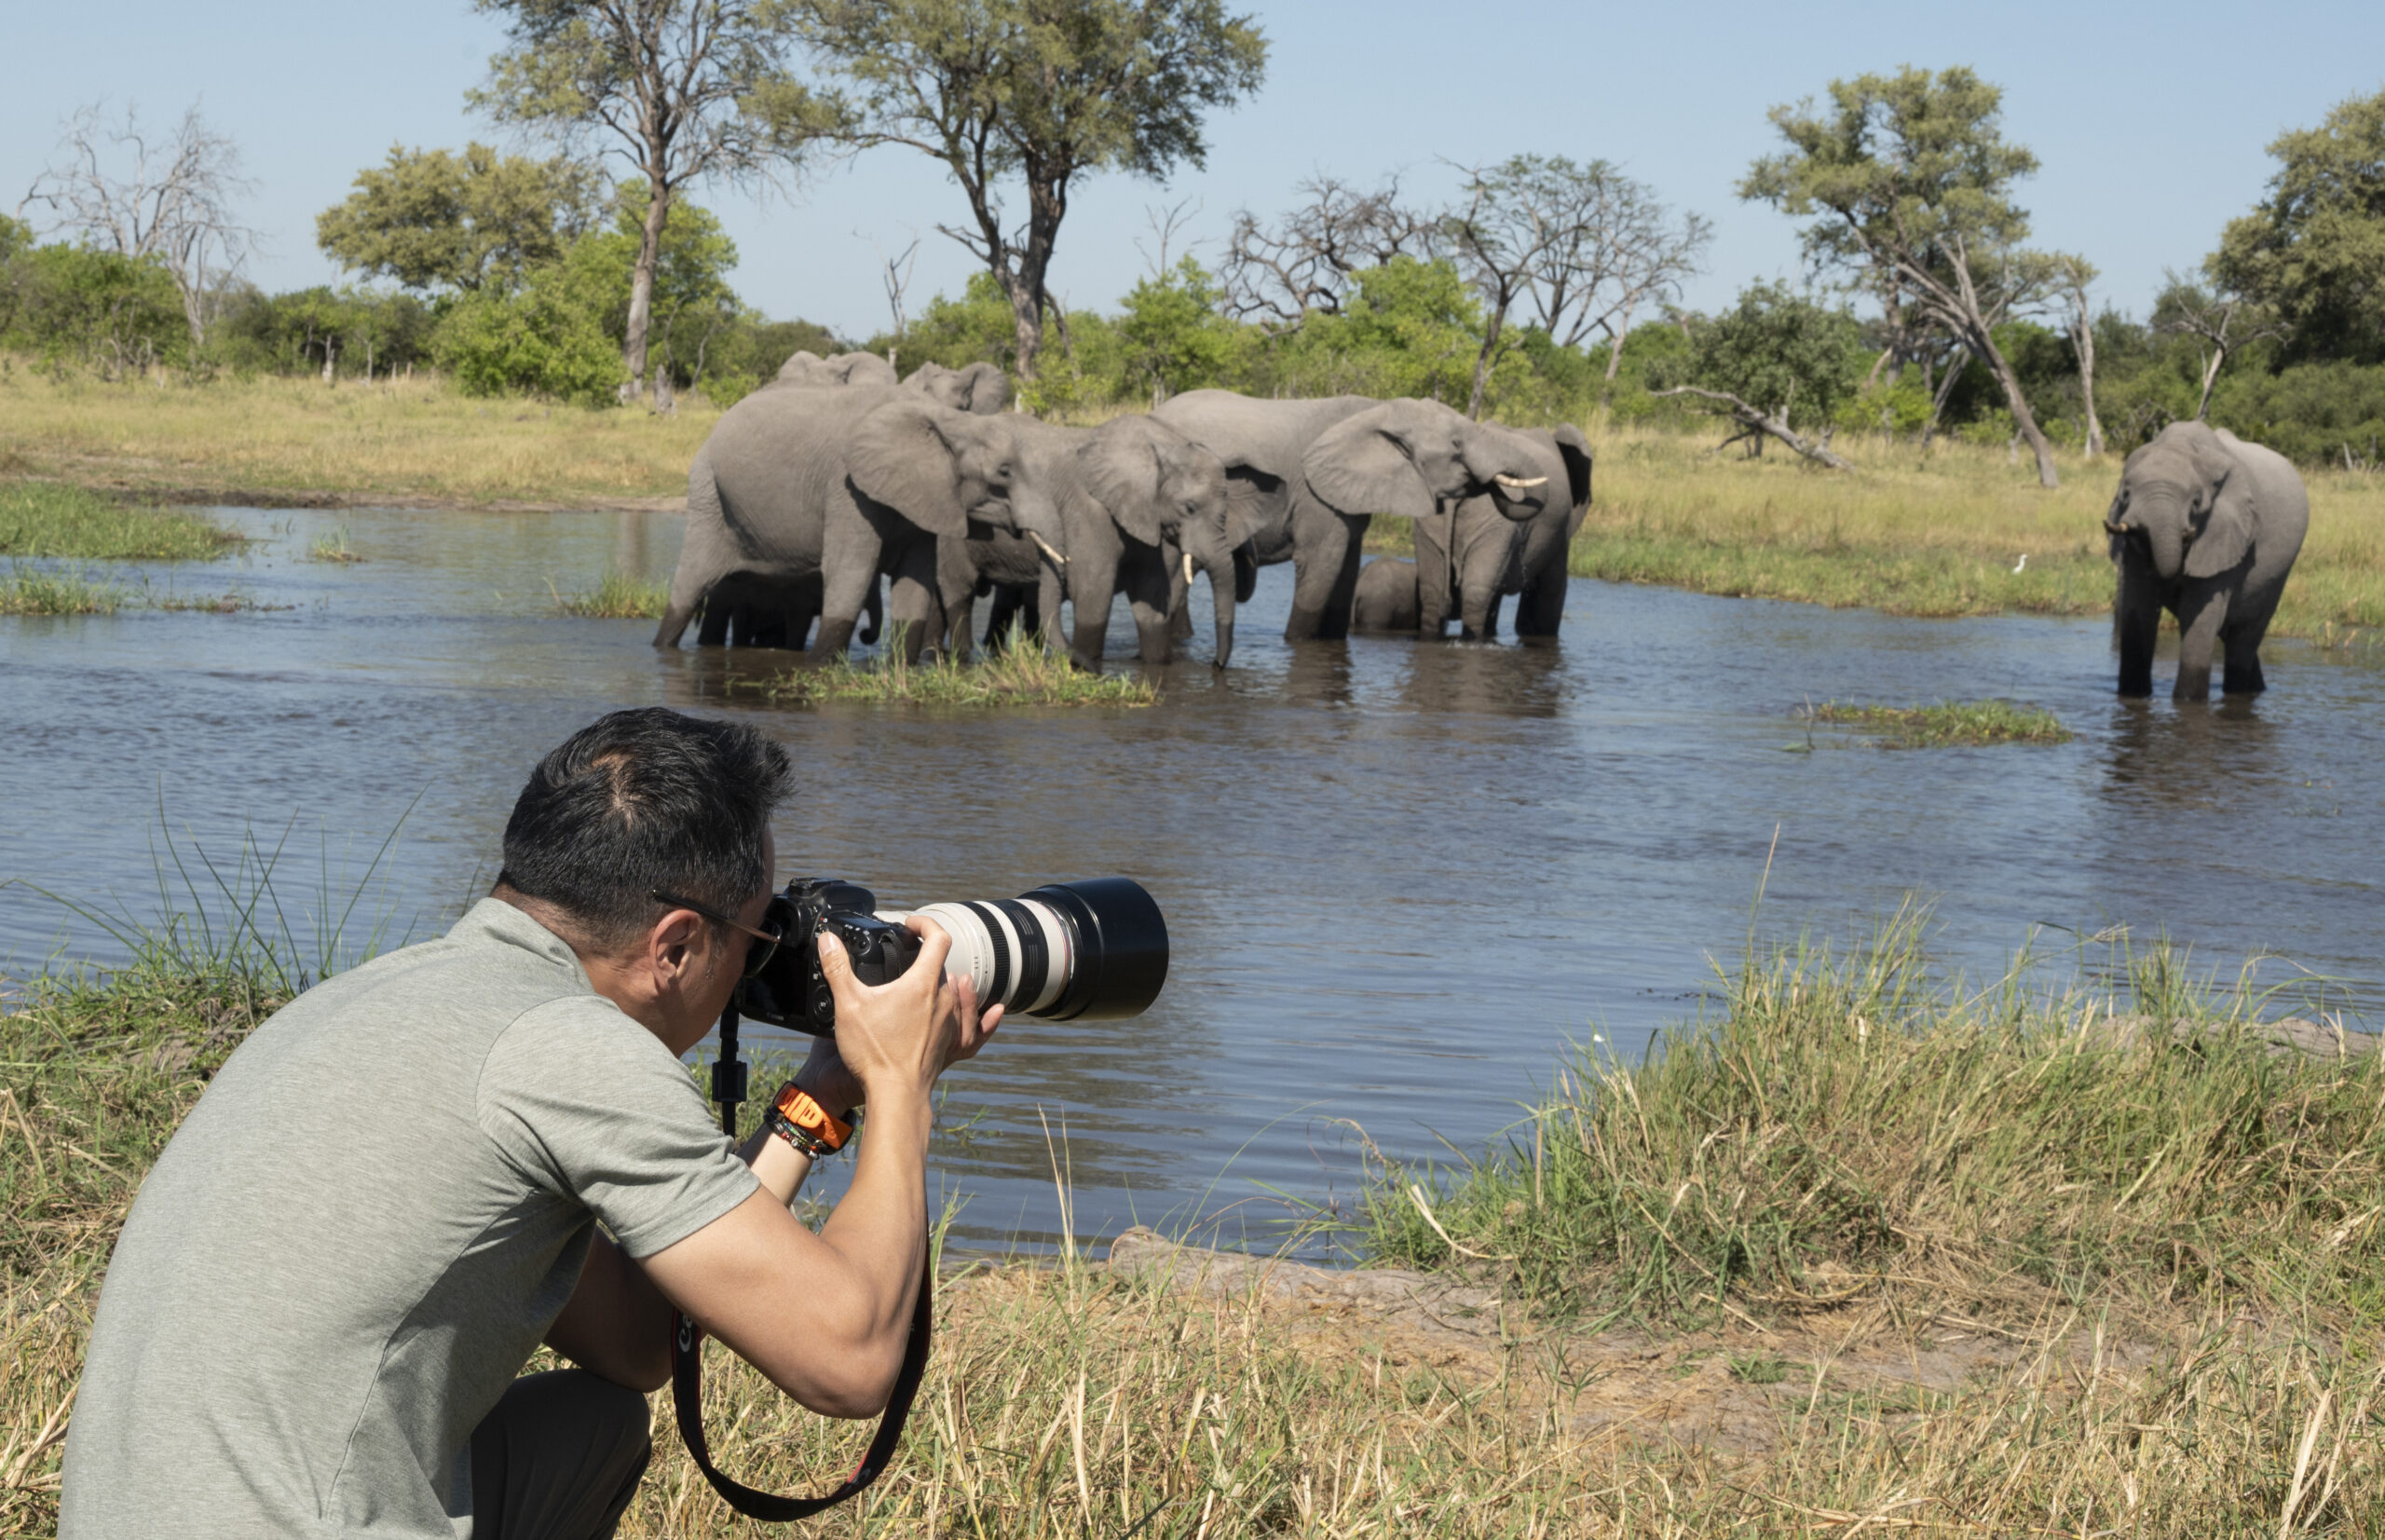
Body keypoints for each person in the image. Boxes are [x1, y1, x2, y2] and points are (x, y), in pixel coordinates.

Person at [60, 707, 999, 1539]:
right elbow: (850, 1361)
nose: (757, 970)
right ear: (674, 946)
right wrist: (902, 1082)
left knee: (593, 1428)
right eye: (757, 940)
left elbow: (636, 1346)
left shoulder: (382, 996)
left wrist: (814, 1104)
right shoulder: (572, 1052)